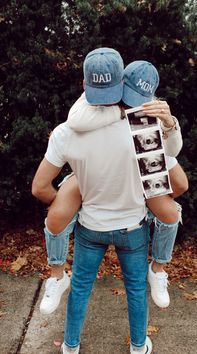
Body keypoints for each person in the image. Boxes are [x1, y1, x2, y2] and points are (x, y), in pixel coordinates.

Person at [38, 60, 188, 316]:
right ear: (118, 86)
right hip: (91, 175)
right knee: (57, 216)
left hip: (135, 172)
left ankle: (158, 269)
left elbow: (175, 166)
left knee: (171, 209)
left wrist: (170, 125)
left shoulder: (147, 120)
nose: (133, 104)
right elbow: (74, 123)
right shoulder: (86, 110)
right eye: (128, 97)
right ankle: (57, 275)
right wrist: (77, 205)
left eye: (140, 99)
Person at [32, 47, 152, 354]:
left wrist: (67, 201)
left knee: (80, 289)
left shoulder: (65, 133)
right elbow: (166, 182)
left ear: (85, 85)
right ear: (122, 83)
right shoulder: (143, 127)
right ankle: (139, 347)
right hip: (132, 227)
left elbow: (40, 187)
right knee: (137, 289)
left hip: (91, 226)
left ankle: (71, 346)